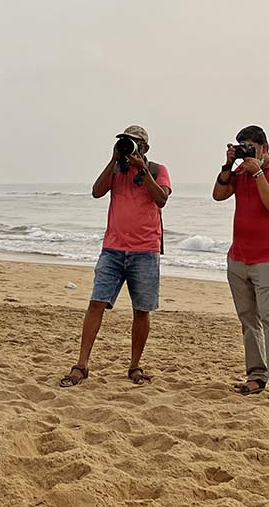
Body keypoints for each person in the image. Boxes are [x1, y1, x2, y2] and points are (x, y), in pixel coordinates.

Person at [60, 125, 171, 388]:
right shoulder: (117, 170)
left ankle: (135, 365)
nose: (128, 147)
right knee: (96, 303)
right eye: (124, 142)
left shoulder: (156, 170)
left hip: (145, 251)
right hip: (112, 249)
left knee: (141, 311)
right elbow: (97, 191)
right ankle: (81, 364)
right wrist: (113, 160)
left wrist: (142, 169)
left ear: (144, 148)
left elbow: (162, 199)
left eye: (133, 143)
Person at [212, 125, 269, 404]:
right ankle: (257, 377)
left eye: (250, 146)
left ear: (264, 147)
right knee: (248, 320)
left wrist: (258, 173)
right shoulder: (240, 173)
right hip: (238, 257)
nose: (247, 151)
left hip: (268, 258)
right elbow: (219, 195)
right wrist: (228, 164)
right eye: (242, 147)